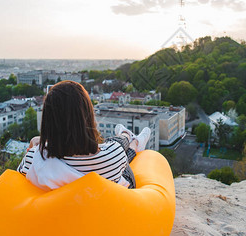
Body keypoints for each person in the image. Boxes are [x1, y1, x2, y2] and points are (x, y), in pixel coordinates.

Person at [17, 80, 150, 190]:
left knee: (112, 148)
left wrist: (36, 142)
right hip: (112, 182)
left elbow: (19, 177)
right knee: (118, 152)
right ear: (87, 116)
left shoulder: (33, 159)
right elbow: (115, 154)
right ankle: (131, 138)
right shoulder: (113, 157)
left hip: (63, 216)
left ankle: (130, 137)